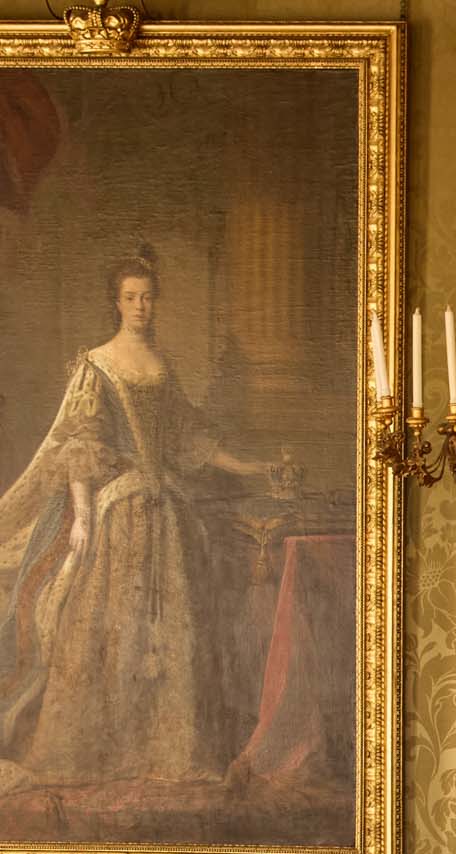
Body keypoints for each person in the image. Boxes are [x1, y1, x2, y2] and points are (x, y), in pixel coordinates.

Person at [0, 244, 279, 788]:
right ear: (117, 302)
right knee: (107, 631)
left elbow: (188, 437)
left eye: (148, 297)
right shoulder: (96, 365)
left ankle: (168, 752)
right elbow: (81, 446)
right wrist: (83, 517)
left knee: (172, 631)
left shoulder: (161, 368)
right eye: (131, 297)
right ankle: (100, 754)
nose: (140, 307)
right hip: (118, 515)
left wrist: (250, 466)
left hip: (167, 516)